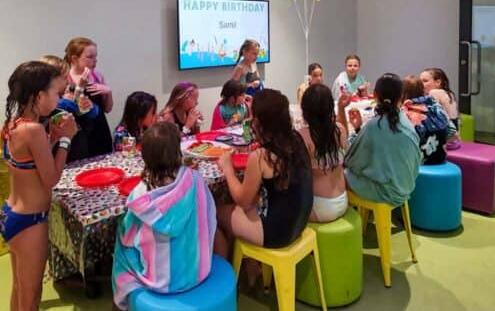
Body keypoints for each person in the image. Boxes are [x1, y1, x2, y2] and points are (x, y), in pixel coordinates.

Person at [0, 61, 78, 311]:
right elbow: (51, 178)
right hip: (30, 222)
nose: (59, 99)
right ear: (39, 96)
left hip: (11, 214)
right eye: (56, 93)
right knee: (31, 296)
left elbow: (28, 165)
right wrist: (65, 139)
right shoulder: (33, 130)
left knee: (19, 288)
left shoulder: (12, 124)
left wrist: (51, 140)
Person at [111, 122, 217, 309]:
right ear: (178, 151)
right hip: (198, 271)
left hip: (159, 280)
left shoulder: (140, 195)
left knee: (121, 244)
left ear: (145, 156)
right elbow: (209, 216)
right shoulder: (195, 179)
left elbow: (129, 236)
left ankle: (119, 304)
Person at [216, 89, 313, 256]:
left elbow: (242, 200)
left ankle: (232, 267)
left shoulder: (261, 156)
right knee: (249, 205)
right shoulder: (296, 138)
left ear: (257, 122)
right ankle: (250, 265)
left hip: (278, 233)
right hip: (300, 221)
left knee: (216, 212)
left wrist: (228, 169)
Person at [344, 74, 422, 207]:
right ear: (402, 97)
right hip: (405, 188)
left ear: (374, 95)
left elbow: (351, 161)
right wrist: (359, 129)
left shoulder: (374, 125)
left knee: (338, 175)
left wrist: (356, 132)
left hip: (385, 193)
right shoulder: (406, 122)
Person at [298, 84, 350, 223]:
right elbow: (345, 140)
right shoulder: (340, 130)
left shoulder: (303, 136)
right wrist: (341, 109)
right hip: (342, 201)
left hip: (319, 207)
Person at [64, 38, 115, 161]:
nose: (95, 60)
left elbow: (108, 109)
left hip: (100, 130)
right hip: (80, 135)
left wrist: (108, 92)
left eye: (96, 56)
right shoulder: (66, 79)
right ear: (74, 59)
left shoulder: (98, 76)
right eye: (90, 57)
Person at [402, 75, 456, 165]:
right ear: (423, 90)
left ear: (402, 93)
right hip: (440, 158)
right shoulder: (436, 106)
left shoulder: (404, 110)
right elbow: (452, 131)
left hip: (416, 161)